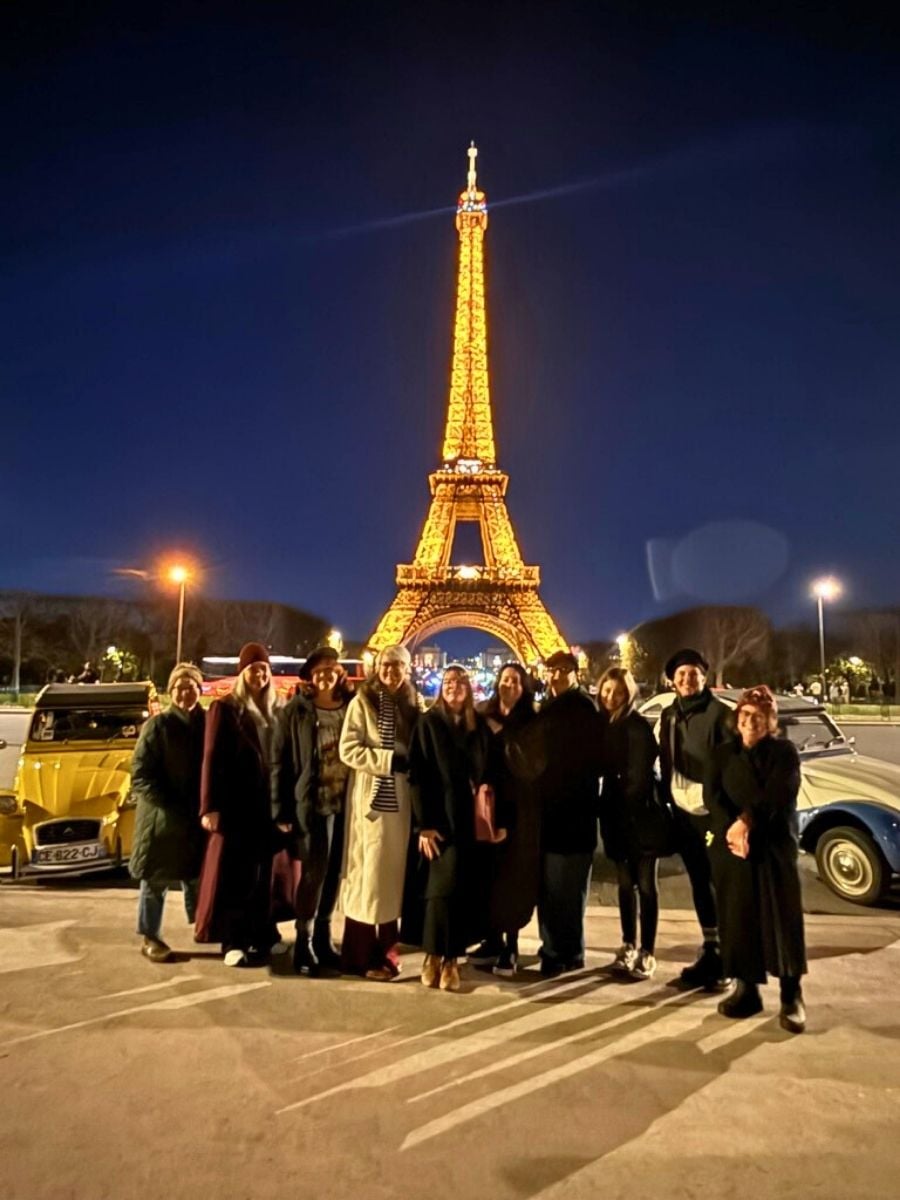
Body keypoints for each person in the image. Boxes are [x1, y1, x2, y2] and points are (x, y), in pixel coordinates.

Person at [706, 686, 807, 1032]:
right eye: (745, 715)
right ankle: (746, 988)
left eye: (758, 717)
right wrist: (731, 832)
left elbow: (781, 793)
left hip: (772, 846)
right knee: (738, 918)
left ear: (770, 722)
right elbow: (713, 797)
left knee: (781, 919)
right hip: (736, 848)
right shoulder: (722, 753)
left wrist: (746, 823)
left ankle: (791, 994)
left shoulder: (784, 752)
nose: (750, 722)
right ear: (737, 718)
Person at [194, 642, 283, 967]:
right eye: (253, 669)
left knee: (263, 877)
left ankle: (261, 934)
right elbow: (211, 757)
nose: (259, 675)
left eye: (264, 669)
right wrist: (209, 806)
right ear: (242, 674)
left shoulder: (277, 710)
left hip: (268, 807)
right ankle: (232, 940)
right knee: (235, 876)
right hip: (237, 806)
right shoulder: (225, 708)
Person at [338, 645, 420, 981]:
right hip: (372, 801)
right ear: (378, 667)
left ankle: (386, 950)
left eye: (398, 665)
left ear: (407, 669)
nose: (391, 670)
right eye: (386, 664)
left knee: (389, 881)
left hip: (401, 803)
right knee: (367, 877)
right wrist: (388, 761)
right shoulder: (362, 702)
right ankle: (360, 953)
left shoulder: (415, 706)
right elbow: (348, 749)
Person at [271, 646, 353, 976]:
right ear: (310, 675)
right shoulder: (296, 711)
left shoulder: (351, 706)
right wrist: (281, 810)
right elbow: (280, 762)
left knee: (334, 874)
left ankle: (323, 936)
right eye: (319, 669)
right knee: (314, 874)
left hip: (345, 803)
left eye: (331, 668)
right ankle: (302, 941)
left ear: (340, 673)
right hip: (313, 804)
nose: (326, 674)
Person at [411, 664, 492, 992]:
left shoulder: (479, 727)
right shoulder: (428, 723)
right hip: (439, 819)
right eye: (447, 682)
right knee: (438, 892)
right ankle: (433, 954)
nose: (453, 686)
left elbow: (490, 771)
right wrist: (423, 825)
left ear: (469, 688)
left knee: (459, 892)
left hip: (468, 821)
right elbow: (416, 774)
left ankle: (450, 960)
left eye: (459, 681)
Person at [658, 648, 732, 991]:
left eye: (694, 673)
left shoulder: (721, 715)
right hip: (683, 811)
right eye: (681, 673)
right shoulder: (670, 713)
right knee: (701, 882)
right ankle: (712, 949)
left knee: (718, 883)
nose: (687, 679)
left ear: (704, 676)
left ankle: (728, 959)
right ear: (671, 680)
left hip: (713, 814)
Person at [129, 662, 206, 962]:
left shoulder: (208, 723)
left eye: (191, 687)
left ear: (200, 690)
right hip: (160, 819)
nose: (185, 693)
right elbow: (140, 774)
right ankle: (150, 936)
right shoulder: (157, 726)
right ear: (170, 691)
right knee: (155, 880)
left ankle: (203, 925)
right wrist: (166, 803)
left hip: (196, 816)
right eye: (179, 687)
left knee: (197, 875)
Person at [535, 650, 604, 976]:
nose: (557, 675)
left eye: (563, 670)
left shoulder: (581, 708)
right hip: (554, 812)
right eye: (552, 670)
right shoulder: (551, 707)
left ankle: (563, 950)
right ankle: (559, 948)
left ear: (576, 673)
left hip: (572, 811)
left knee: (567, 889)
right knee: (554, 889)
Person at [598, 667, 670, 981]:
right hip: (616, 814)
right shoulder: (604, 725)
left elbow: (640, 777)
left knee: (646, 886)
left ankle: (647, 951)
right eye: (606, 690)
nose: (610, 697)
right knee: (626, 886)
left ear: (628, 694)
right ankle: (629, 944)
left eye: (617, 692)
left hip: (640, 817)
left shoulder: (637, 727)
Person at [470, 662, 541, 977]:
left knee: (512, 880)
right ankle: (492, 939)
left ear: (524, 686)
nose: (508, 684)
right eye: (504, 679)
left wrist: (506, 734)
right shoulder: (483, 718)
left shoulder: (531, 721)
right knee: (486, 876)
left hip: (517, 811)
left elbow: (532, 769)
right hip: (485, 809)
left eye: (515, 680)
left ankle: (511, 945)